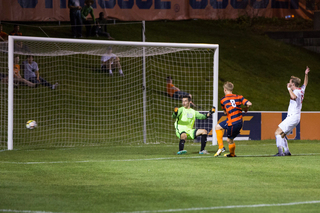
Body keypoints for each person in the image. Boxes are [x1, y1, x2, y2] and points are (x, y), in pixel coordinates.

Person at [274, 67, 310, 156]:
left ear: (293, 84)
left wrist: (289, 89)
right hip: (296, 117)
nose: (288, 83)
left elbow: (293, 97)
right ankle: (286, 152)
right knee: (282, 135)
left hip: (293, 117)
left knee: (277, 132)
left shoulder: (296, 92)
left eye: (290, 82)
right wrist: (306, 74)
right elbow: (305, 83)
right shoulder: (301, 90)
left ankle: (280, 152)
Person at [220, 81, 252, 157]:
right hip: (239, 121)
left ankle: (231, 154)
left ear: (225, 89)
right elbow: (249, 103)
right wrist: (246, 108)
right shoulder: (239, 97)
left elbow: (225, 112)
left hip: (232, 122)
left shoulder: (223, 100)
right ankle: (221, 147)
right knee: (218, 127)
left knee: (229, 140)